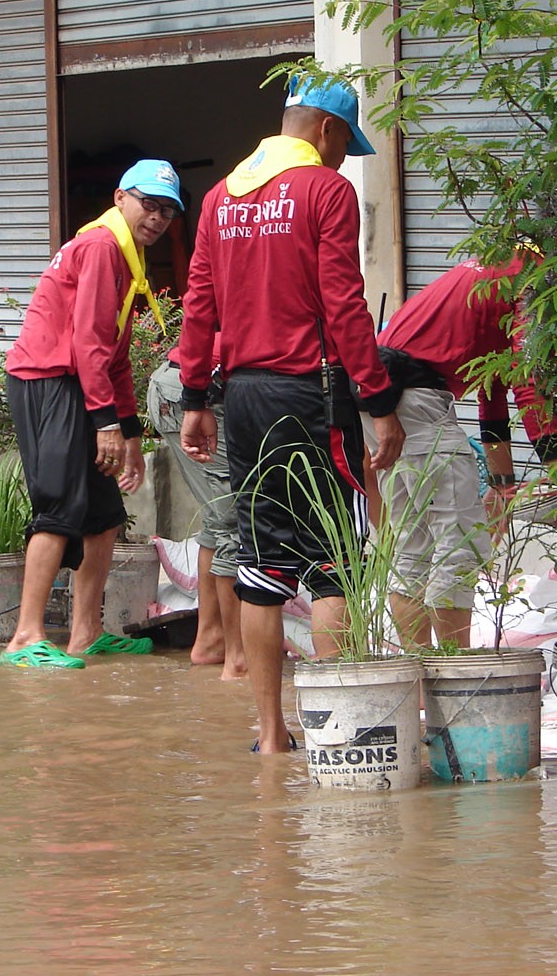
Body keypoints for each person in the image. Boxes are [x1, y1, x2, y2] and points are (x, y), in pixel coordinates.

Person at [177, 75, 404, 754]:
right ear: (327, 130)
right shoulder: (325, 190)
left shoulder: (220, 197)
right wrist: (378, 401)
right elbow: (344, 301)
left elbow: (198, 304)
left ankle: (272, 735)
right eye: (344, 145)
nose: (341, 160)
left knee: (261, 567)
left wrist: (195, 398)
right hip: (313, 394)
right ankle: (339, 733)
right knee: (335, 562)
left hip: (243, 400)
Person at [370, 201, 557, 650]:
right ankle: (456, 670)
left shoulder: (505, 263)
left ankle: (417, 669)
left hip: (386, 396)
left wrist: (503, 485)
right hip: (413, 395)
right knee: (460, 545)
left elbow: (494, 385)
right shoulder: (538, 279)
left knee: (414, 546)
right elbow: (528, 382)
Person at [1, 158, 183, 669]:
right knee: (59, 508)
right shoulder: (103, 246)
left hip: (79, 382)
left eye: (168, 211)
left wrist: (130, 434)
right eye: (149, 204)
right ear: (120, 197)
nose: (157, 217)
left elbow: (114, 352)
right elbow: (88, 343)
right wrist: (106, 422)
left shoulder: (126, 255)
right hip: (49, 380)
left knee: (103, 517)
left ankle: (86, 633)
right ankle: (24, 637)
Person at [147, 341, 245, 679]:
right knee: (234, 521)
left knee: (219, 519)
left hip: (176, 384)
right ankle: (238, 657)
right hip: (196, 392)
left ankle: (211, 638)